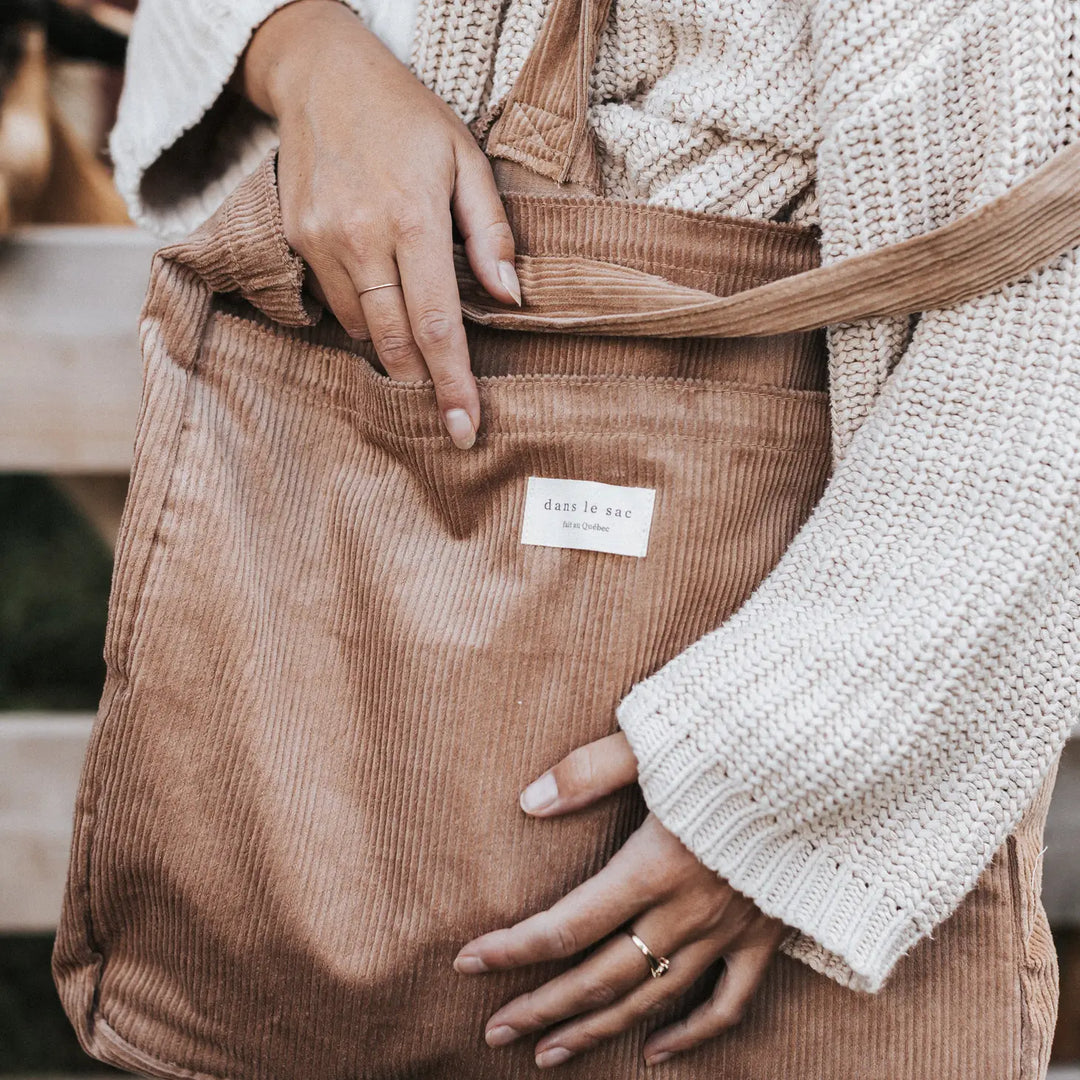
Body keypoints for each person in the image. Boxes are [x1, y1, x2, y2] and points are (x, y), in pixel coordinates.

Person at [104, 0, 1077, 1074]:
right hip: (355, 578)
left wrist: (787, 782)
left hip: (820, 664)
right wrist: (304, 52)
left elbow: (1038, 339)